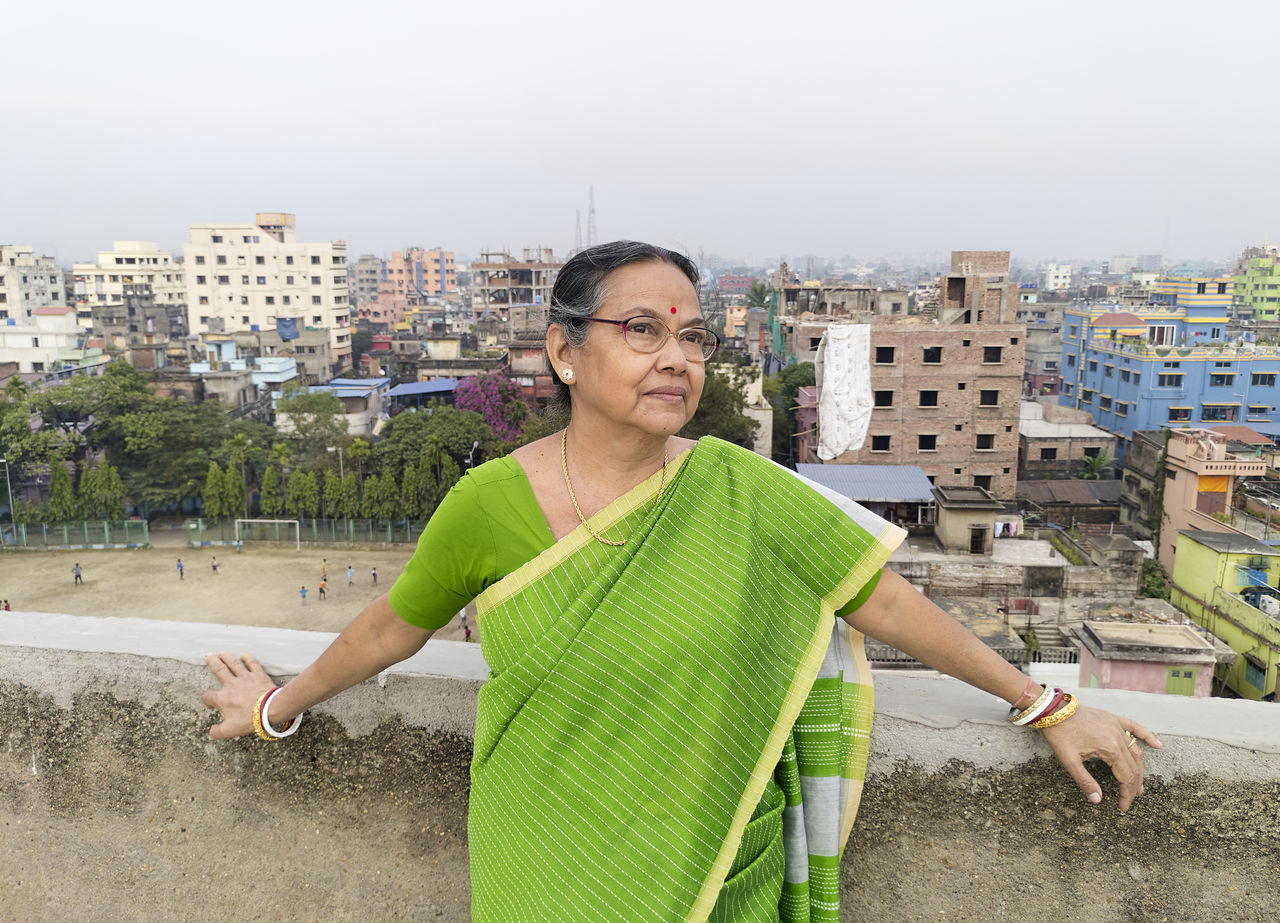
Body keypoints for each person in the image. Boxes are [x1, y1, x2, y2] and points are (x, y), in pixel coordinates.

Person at [203, 241, 1159, 922]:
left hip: (720, 855)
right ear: (564, 352)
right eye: (642, 329)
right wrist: (278, 704)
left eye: (694, 336)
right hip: (547, 856)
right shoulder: (490, 502)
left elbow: (884, 600)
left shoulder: (737, 485)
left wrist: (1044, 703)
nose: (676, 357)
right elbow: (391, 627)